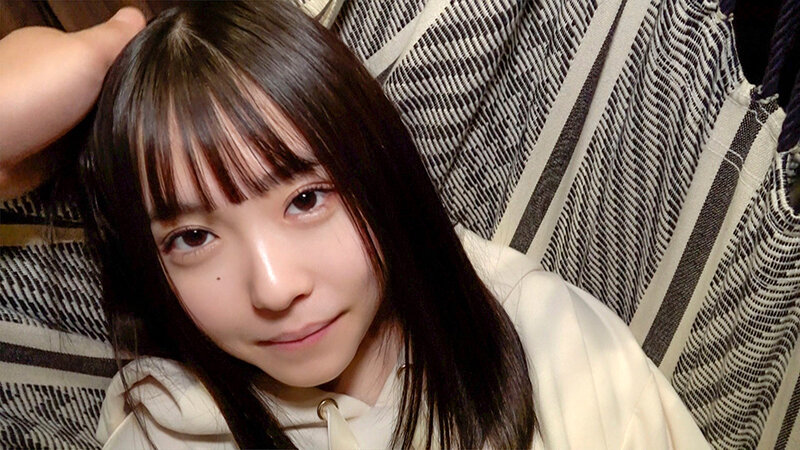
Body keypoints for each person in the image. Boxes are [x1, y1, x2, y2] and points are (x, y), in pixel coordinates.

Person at [4, 2, 709, 449]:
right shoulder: (161, 427)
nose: (274, 287)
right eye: (192, 238)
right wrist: (106, 50)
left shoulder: (544, 338)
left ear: (379, 171)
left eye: (307, 199)